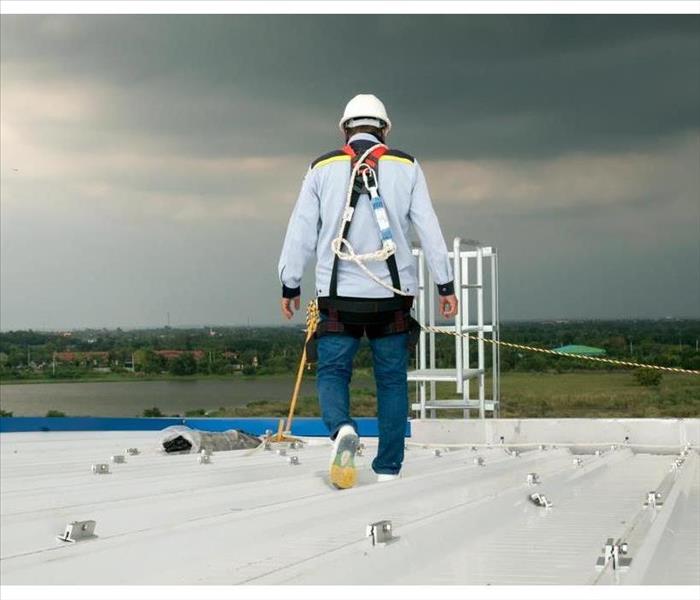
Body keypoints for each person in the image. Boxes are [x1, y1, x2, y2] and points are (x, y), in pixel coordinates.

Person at [278, 93, 458, 489]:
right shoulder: (405, 166)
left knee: (333, 371)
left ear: (345, 129)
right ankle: (388, 469)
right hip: (391, 296)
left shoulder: (322, 168)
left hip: (339, 298)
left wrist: (290, 284)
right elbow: (428, 227)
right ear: (384, 130)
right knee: (391, 381)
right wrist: (445, 283)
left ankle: (342, 428)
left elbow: (300, 233)